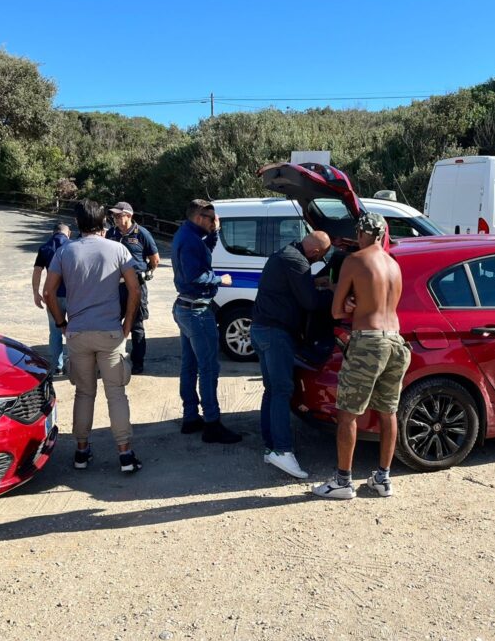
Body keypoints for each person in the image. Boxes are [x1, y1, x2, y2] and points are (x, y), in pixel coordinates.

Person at [312, 212, 411, 500]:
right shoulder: (394, 266)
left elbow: (337, 311)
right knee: (388, 412)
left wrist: (348, 303)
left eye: (359, 233)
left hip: (368, 343)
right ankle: (383, 479)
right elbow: (384, 305)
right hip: (396, 342)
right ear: (383, 235)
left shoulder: (355, 260)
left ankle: (343, 481)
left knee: (347, 414)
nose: (357, 238)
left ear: (363, 234)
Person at [43, 200, 144, 474]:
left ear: (78, 224)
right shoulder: (118, 249)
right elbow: (134, 290)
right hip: (110, 331)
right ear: (104, 223)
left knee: (84, 393)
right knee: (116, 394)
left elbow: (48, 293)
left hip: (78, 332)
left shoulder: (65, 252)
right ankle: (125, 454)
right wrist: (127, 324)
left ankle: (82, 451)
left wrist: (61, 323)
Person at [251, 231, 333, 479]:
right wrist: (334, 292)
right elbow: (309, 302)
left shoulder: (286, 253)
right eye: (323, 255)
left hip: (260, 328)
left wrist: (317, 283)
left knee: (272, 389)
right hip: (275, 334)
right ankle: (282, 451)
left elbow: (295, 287)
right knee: (282, 390)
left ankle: (271, 446)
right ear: (316, 253)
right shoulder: (296, 261)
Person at [170, 199, 241, 444]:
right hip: (197, 311)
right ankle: (212, 423)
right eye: (212, 219)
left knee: (190, 365)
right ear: (200, 217)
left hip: (186, 307)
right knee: (209, 368)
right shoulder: (190, 241)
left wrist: (216, 231)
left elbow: (204, 252)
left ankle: (191, 417)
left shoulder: (188, 234)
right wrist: (222, 280)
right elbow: (196, 274)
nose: (215, 222)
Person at [106, 201, 159, 375]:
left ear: (129, 215)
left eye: (119, 216)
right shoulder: (111, 233)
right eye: (114, 216)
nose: (115, 219)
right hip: (115, 287)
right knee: (111, 322)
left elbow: (155, 259)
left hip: (135, 286)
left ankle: (138, 362)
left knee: (136, 325)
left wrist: (147, 272)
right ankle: (111, 359)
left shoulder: (142, 234)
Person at [32, 222, 71, 376]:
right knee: (75, 330)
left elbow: (37, 271)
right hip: (72, 294)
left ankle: (57, 366)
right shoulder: (72, 246)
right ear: (68, 233)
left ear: (52, 233)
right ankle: (77, 364)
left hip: (52, 295)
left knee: (54, 331)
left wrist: (36, 292)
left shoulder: (45, 248)